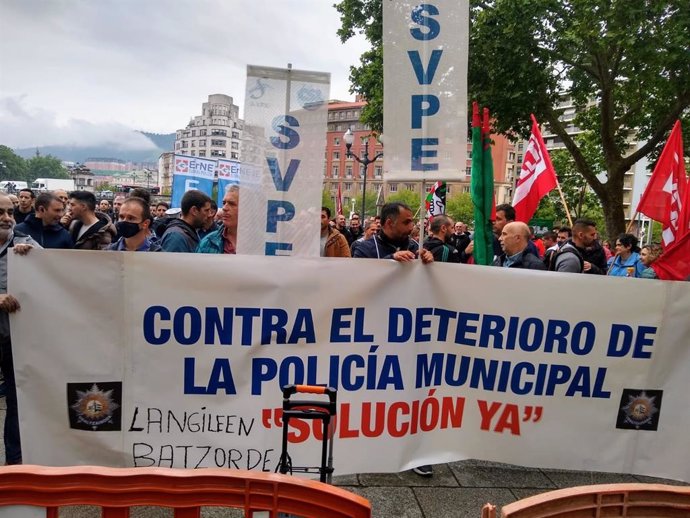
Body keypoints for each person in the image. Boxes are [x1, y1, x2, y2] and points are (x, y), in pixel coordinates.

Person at [0, 192, 41, 465]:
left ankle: (15, 467)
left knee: (17, 400)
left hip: (13, 338)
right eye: (0, 213)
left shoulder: (24, 244)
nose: (6, 218)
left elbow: (54, 275)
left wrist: (36, 258)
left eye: (10, 212)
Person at [353, 202, 434, 264]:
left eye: (411, 222)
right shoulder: (365, 250)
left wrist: (428, 262)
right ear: (389, 223)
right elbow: (359, 278)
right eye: (406, 222)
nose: (411, 227)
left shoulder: (416, 247)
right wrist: (391, 259)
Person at [197, 185, 239, 254]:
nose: (224, 208)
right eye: (224, 203)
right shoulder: (208, 242)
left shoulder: (261, 244)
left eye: (231, 204)